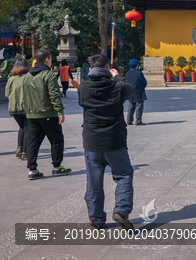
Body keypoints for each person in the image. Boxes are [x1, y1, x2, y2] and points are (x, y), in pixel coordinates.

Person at [78, 54, 136, 230]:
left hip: (92, 140)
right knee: (124, 174)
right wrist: (117, 75)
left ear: (90, 70)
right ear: (108, 69)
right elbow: (130, 88)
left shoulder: (83, 87)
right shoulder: (117, 86)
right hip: (114, 140)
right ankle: (121, 210)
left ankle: (96, 218)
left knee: (94, 180)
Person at [22, 50, 70, 180]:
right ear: (47, 60)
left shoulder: (26, 76)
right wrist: (59, 111)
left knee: (33, 143)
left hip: (31, 115)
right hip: (48, 113)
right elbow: (54, 95)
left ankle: (32, 170)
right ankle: (57, 167)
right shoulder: (49, 75)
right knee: (56, 140)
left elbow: (23, 96)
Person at [6, 58, 30, 161]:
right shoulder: (28, 77)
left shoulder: (11, 79)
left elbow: (7, 94)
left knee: (21, 128)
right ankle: (25, 152)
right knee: (27, 129)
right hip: (26, 107)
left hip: (14, 108)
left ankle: (19, 148)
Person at [125, 59, 147, 126]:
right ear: (136, 65)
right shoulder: (139, 73)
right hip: (139, 92)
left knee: (131, 106)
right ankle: (138, 121)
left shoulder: (127, 74)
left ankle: (129, 120)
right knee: (139, 106)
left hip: (130, 92)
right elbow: (144, 82)